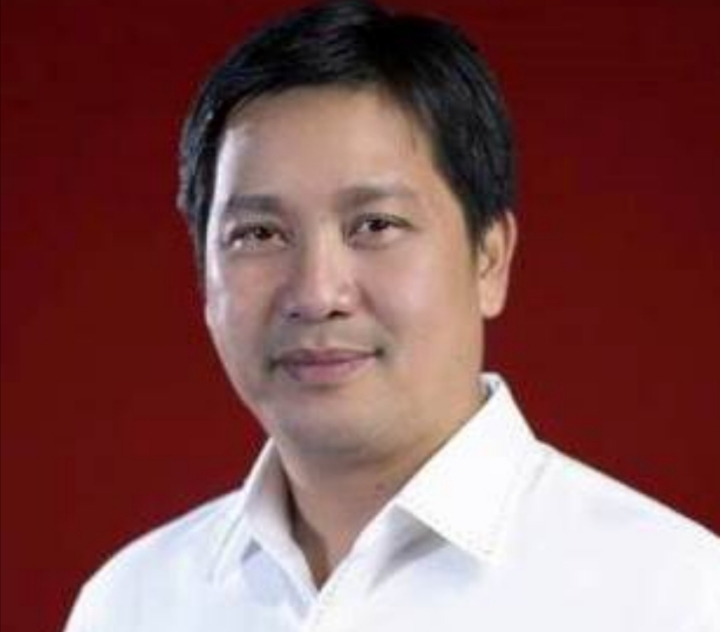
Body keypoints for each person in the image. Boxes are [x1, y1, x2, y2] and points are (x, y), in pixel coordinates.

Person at [63, 1, 720, 630]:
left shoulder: (673, 597)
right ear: (204, 277)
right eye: (259, 234)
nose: (317, 292)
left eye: (375, 225)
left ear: (489, 258)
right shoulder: (131, 604)